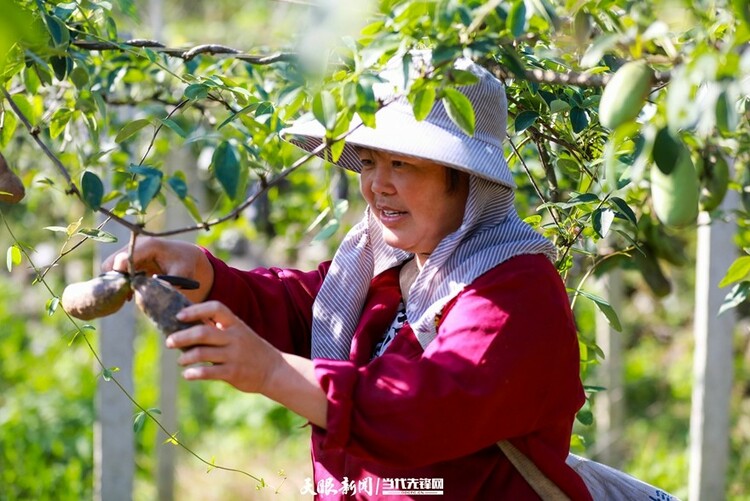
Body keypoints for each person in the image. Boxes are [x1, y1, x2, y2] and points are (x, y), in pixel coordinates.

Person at [103, 56, 592, 500]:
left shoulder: (514, 291)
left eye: (402, 162)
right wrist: (206, 274)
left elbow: (424, 411)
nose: (378, 184)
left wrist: (274, 372)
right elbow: (311, 312)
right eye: (369, 160)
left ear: (464, 177)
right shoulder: (387, 265)